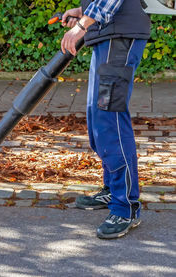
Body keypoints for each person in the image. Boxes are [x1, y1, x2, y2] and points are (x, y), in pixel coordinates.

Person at [60, 0, 151, 239]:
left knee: (110, 121)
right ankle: (112, 189)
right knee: (98, 119)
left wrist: (81, 25)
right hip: (108, 37)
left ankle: (125, 207)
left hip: (120, 37)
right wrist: (83, 13)